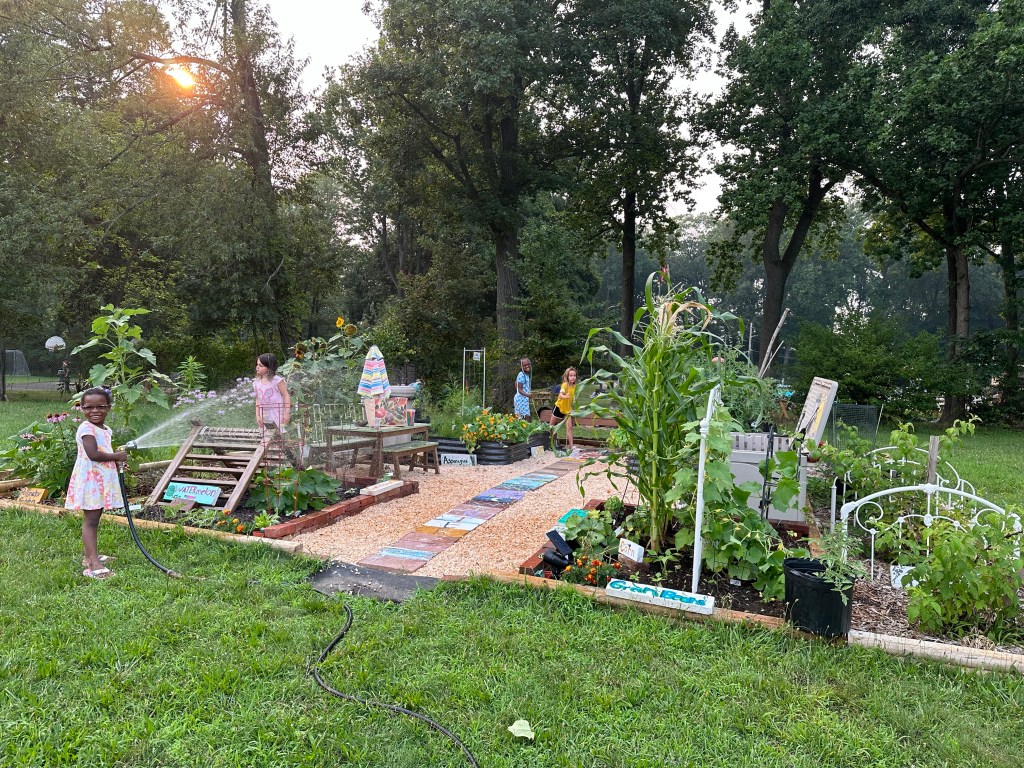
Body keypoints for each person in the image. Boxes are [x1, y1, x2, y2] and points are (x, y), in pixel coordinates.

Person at [65, 387, 128, 580]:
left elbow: (103, 450)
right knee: (91, 522)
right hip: (90, 481)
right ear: (82, 408)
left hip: (99, 480)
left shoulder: (105, 429)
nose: (95, 411)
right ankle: (93, 564)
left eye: (100, 406)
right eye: (89, 407)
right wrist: (117, 456)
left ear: (108, 407)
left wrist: (116, 460)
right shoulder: (86, 429)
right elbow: (93, 454)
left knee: (95, 519)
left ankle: (89, 557)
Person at [254, 353, 290, 440]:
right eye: (257, 364)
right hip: (264, 414)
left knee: (279, 435)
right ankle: (269, 448)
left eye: (261, 365)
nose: (257, 367)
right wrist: (257, 415)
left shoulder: (277, 380)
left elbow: (286, 396)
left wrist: (287, 413)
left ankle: (285, 447)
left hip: (277, 413)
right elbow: (258, 399)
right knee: (266, 436)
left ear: (269, 367)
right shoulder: (256, 382)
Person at [549, 366, 577, 451]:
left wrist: (574, 400)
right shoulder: (565, 385)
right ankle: (551, 443)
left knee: (569, 427)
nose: (573, 377)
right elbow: (560, 395)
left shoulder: (575, 387)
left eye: (574, 375)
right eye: (571, 375)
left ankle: (571, 446)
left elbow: (573, 397)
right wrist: (565, 396)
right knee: (552, 426)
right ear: (567, 376)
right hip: (559, 407)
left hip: (567, 410)